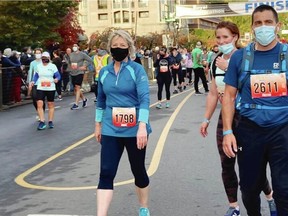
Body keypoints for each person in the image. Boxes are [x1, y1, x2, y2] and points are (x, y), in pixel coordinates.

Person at [200, 20, 276, 216]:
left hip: (244, 118)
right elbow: (213, 93)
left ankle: (270, 196)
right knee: (226, 164)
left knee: (251, 166)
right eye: (218, 37)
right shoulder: (215, 59)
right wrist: (206, 119)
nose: (222, 41)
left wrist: (230, 68)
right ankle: (234, 206)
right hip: (225, 119)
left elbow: (255, 88)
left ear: (235, 37)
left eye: (226, 37)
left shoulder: (245, 57)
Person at [222, 5, 288, 215]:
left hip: (283, 130)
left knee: (284, 190)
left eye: (268, 22)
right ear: (252, 27)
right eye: (258, 23)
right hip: (250, 131)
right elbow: (229, 97)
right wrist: (227, 132)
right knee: (249, 189)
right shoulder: (239, 57)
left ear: (278, 26)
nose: (263, 27)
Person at [94, 29, 152, 216]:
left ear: (129, 48)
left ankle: (143, 207)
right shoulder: (104, 72)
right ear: (110, 47)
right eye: (115, 46)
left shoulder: (137, 69)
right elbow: (101, 100)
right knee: (106, 172)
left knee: (138, 171)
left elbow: (144, 99)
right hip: (111, 128)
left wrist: (142, 126)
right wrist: (98, 124)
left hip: (135, 130)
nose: (118, 49)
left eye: (122, 46)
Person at [30, 51, 61, 130]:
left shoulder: (53, 66)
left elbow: (58, 75)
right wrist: (33, 81)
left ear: (49, 58)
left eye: (46, 58)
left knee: (50, 104)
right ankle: (42, 121)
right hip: (41, 87)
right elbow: (36, 75)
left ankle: (50, 121)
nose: (44, 60)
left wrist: (57, 79)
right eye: (43, 58)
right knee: (39, 103)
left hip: (50, 87)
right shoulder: (39, 66)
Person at [69, 44, 93, 110]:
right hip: (73, 72)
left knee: (77, 87)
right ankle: (84, 99)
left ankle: (76, 104)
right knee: (76, 89)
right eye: (73, 46)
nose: (74, 47)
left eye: (76, 46)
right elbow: (69, 62)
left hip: (80, 72)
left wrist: (85, 66)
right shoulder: (71, 54)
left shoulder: (82, 54)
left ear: (78, 47)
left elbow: (90, 60)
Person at [27, 48, 46, 121]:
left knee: (41, 99)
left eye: (39, 53)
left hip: (43, 83)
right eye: (36, 53)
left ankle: (41, 113)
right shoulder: (32, 63)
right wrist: (29, 83)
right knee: (34, 98)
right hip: (35, 83)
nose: (38, 54)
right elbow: (30, 73)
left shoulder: (44, 62)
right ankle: (38, 111)